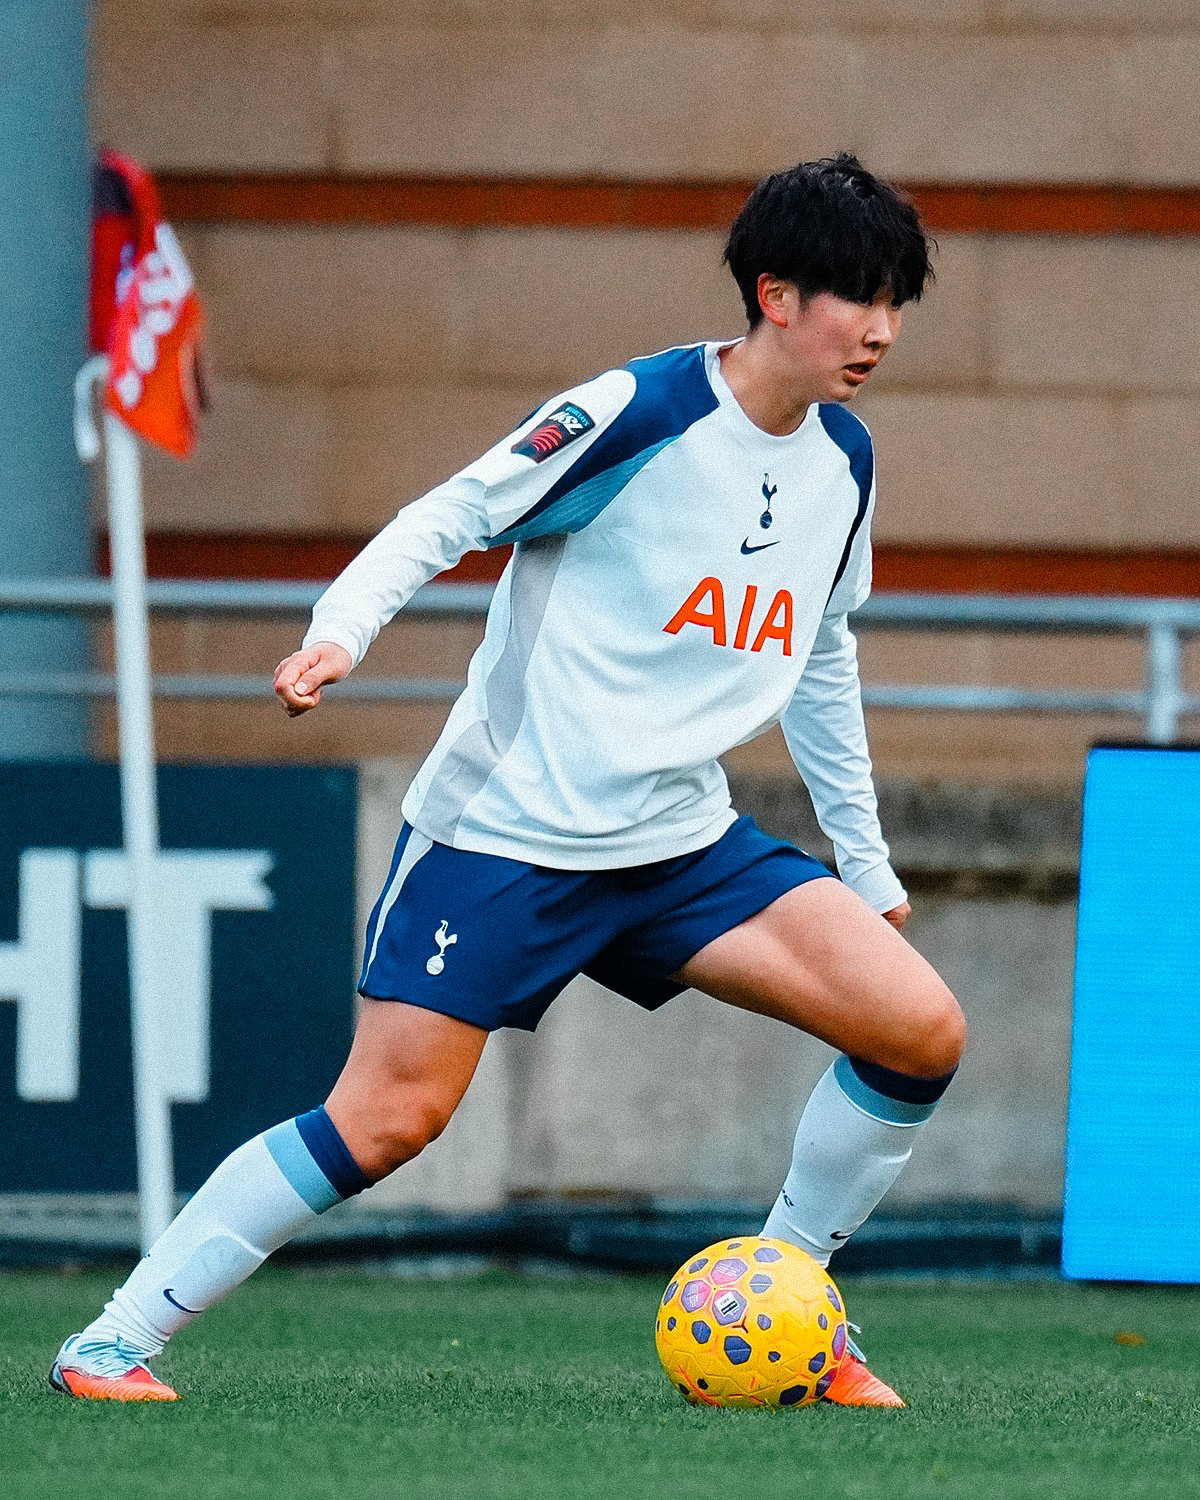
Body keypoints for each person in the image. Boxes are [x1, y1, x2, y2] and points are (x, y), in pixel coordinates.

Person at [52, 153, 965, 1406]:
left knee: (919, 1030)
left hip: (678, 844)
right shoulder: (636, 414)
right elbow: (452, 513)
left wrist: (863, 861)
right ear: (775, 294)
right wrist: (341, 632)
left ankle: (797, 1309)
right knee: (385, 1123)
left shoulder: (844, 462)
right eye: (859, 298)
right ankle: (112, 1339)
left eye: (896, 302)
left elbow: (819, 653)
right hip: (507, 837)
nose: (881, 330)